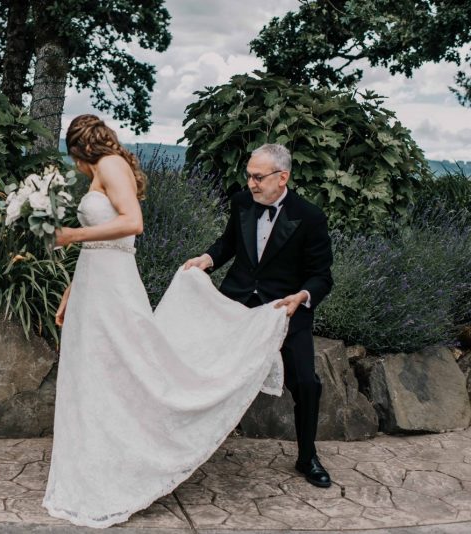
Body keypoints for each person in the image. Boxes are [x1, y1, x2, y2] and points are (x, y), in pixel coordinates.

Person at [42, 115, 289, 529]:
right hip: (94, 283)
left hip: (114, 289)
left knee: (120, 376)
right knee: (94, 377)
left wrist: (68, 235)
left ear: (81, 150)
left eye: (75, 160)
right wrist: (72, 288)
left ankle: (126, 467)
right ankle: (96, 468)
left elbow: (130, 224)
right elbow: (103, 241)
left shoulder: (110, 166)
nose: (77, 169)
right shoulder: (104, 169)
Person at [184, 143, 334, 488]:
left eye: (258, 177)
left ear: (283, 177)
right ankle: (185, 448)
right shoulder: (241, 202)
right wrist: (207, 259)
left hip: (284, 310)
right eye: (249, 175)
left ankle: (307, 456)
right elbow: (228, 244)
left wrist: (303, 296)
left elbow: (322, 275)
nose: (250, 183)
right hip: (235, 304)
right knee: (197, 366)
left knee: (307, 384)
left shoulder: (310, 217)